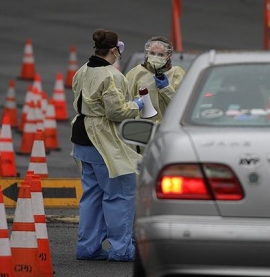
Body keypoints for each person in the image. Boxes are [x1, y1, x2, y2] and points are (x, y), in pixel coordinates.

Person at [70, 28, 144, 262]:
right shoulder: (111, 75)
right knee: (119, 194)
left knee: (91, 195)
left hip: (81, 136)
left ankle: (88, 247)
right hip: (102, 139)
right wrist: (138, 105)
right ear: (114, 50)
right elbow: (116, 112)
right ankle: (121, 249)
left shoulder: (82, 71)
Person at [126, 36, 186, 123]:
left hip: (167, 126)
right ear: (147, 53)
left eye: (161, 55)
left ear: (168, 56)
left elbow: (181, 106)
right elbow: (124, 101)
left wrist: (166, 89)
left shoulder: (177, 74)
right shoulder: (136, 72)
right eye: (152, 53)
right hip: (142, 127)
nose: (155, 57)